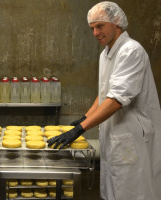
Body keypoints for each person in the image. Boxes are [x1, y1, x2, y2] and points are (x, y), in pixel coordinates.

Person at [48, 2, 161, 200]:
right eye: (92, 28)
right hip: (115, 135)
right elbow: (105, 92)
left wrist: (80, 128)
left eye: (100, 26)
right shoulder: (106, 54)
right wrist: (86, 116)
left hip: (132, 137)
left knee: (133, 191)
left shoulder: (131, 51)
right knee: (114, 190)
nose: (95, 33)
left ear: (116, 22)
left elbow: (117, 99)